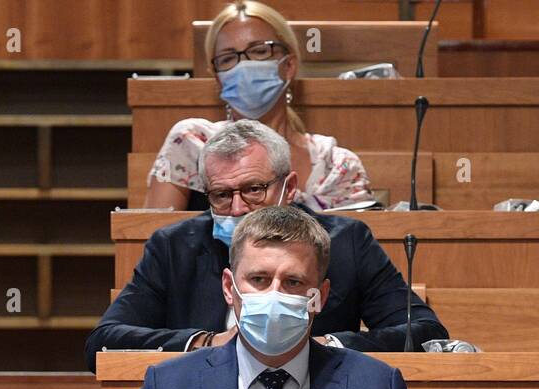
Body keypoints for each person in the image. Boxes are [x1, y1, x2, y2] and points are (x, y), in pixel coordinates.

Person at [110, 205, 436, 389]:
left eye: (293, 282)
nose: (274, 295)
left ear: (319, 295)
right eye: (259, 279)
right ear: (229, 287)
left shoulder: (377, 387)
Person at [86, 120, 445, 372]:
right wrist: (207, 343)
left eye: (254, 190)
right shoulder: (174, 246)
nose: (238, 207)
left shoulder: (345, 241)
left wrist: (324, 349)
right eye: (222, 195)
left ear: (288, 188)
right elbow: (103, 342)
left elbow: (426, 333)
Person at [145, 1, 373, 213]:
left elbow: (358, 246)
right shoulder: (192, 142)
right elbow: (150, 236)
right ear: (217, 77)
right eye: (227, 58)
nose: (244, 66)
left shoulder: (335, 164)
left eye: (259, 51)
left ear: (289, 66)